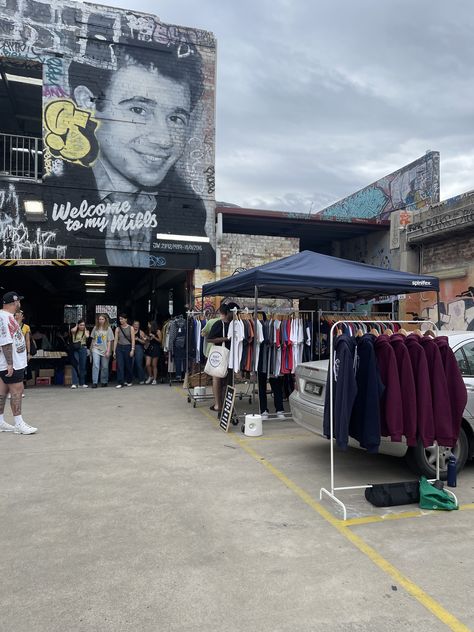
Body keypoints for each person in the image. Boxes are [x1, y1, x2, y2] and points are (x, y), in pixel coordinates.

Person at [44, 39, 213, 269]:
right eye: (138, 110)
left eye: (175, 119)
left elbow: (203, 269)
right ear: (88, 103)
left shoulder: (189, 211)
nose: (163, 139)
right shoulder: (49, 197)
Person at [0, 291, 37, 435]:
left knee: (2, 393)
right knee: (17, 391)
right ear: (14, 302)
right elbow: (5, 342)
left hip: (12, 361)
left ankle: (1, 421)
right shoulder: (4, 317)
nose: (20, 304)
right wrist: (10, 363)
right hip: (11, 363)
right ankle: (19, 423)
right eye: (18, 301)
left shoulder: (8, 317)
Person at [206, 304, 234, 414]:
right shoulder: (219, 324)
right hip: (220, 355)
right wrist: (226, 339)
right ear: (227, 313)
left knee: (226, 380)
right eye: (232, 312)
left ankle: (223, 404)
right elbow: (209, 339)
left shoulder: (234, 324)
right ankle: (218, 404)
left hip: (230, 355)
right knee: (217, 378)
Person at [90, 313, 114, 388]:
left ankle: (104, 381)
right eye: (99, 319)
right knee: (96, 365)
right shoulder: (95, 328)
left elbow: (110, 340)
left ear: (105, 320)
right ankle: (95, 382)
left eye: (102, 319)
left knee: (105, 366)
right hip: (96, 348)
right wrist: (92, 347)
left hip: (105, 349)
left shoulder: (108, 328)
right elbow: (93, 338)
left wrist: (108, 351)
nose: (101, 321)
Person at [113, 314, 135, 388]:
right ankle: (120, 382)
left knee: (128, 365)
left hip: (128, 347)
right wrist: (114, 351)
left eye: (122, 319)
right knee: (120, 365)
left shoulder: (131, 328)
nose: (120, 320)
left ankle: (129, 380)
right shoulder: (117, 329)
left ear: (126, 319)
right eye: (120, 319)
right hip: (119, 347)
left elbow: (133, 339)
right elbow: (116, 340)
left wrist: (132, 349)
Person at [70, 319, 90, 388]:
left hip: (83, 348)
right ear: (78, 325)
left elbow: (87, 336)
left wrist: (85, 329)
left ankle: (82, 383)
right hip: (75, 349)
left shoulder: (86, 331)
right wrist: (76, 325)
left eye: (83, 325)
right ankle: (74, 383)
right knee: (75, 365)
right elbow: (73, 330)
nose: (82, 326)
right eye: (81, 325)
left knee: (83, 366)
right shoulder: (74, 331)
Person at [144, 321, 162, 385]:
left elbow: (160, 340)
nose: (148, 325)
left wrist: (154, 337)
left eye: (149, 324)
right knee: (147, 364)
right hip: (149, 348)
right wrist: (147, 338)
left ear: (152, 325)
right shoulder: (149, 331)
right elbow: (150, 340)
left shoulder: (158, 331)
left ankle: (154, 379)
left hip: (156, 348)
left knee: (154, 365)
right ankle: (150, 376)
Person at [132, 320, 147, 385]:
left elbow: (144, 342)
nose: (136, 326)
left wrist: (138, 339)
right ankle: (130, 379)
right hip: (131, 347)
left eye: (137, 325)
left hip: (138, 348)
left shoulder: (141, 332)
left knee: (138, 363)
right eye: (135, 324)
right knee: (130, 364)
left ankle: (142, 379)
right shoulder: (130, 331)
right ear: (132, 325)